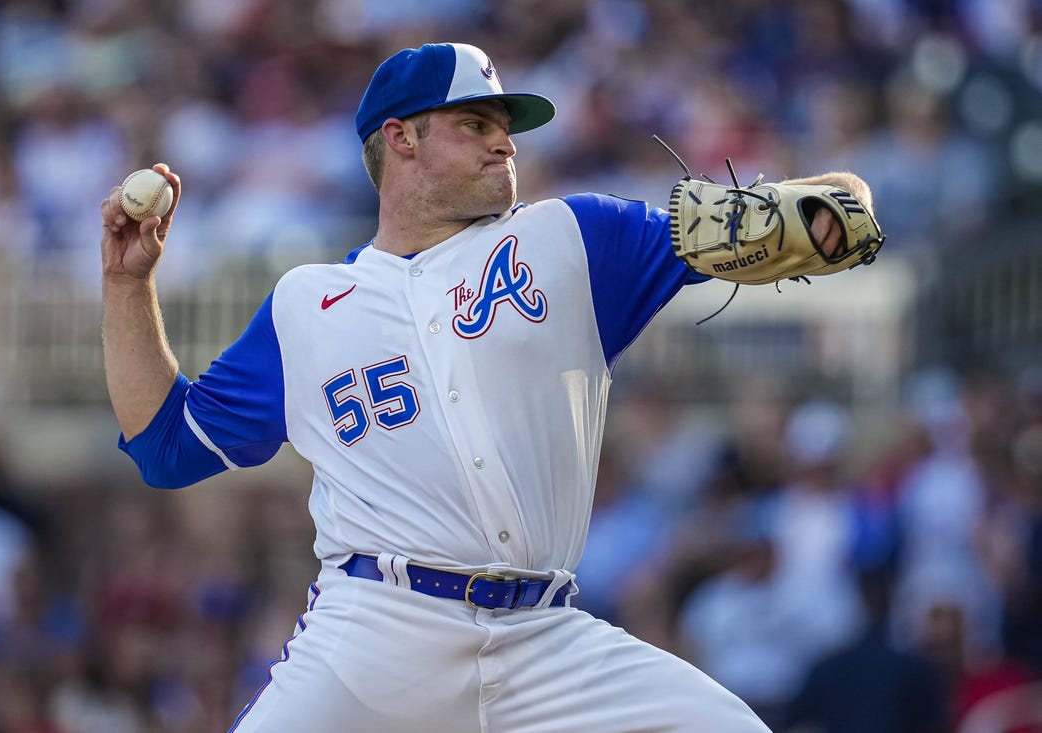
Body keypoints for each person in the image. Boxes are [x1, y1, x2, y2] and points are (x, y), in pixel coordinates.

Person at [99, 42, 873, 733]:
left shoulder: (570, 237)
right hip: (375, 635)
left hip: (548, 643)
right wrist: (127, 288)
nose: (505, 141)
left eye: (505, 124)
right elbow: (169, 447)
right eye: (473, 123)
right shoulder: (307, 304)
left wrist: (819, 215)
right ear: (399, 137)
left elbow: (833, 210)